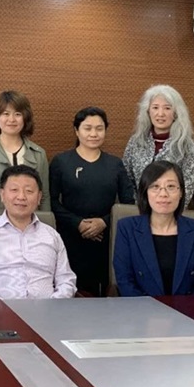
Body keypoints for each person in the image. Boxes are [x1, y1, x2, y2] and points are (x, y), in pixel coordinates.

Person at [49, 107, 135, 296]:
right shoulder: (61, 162)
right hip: (70, 238)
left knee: (102, 294)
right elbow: (51, 201)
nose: (94, 134)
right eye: (87, 128)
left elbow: (128, 204)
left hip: (106, 240)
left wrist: (104, 222)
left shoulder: (115, 164)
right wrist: (78, 223)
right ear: (76, 130)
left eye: (99, 128)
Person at [0, 165, 76, 299]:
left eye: (29, 191)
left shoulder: (52, 236)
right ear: (2, 195)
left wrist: (54, 304)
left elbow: (66, 280)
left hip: (47, 309)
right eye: (14, 190)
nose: (21, 197)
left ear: (39, 197)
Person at [113, 160, 194, 296]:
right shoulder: (127, 228)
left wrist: (185, 308)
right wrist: (152, 309)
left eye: (171, 186)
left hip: (187, 307)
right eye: (155, 186)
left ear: (181, 192)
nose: (163, 194)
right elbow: (125, 282)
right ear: (145, 192)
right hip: (140, 307)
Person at [123, 84, 194, 205]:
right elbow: (127, 178)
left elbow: (187, 188)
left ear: (176, 113)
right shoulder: (136, 141)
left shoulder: (188, 146)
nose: (160, 114)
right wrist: (140, 206)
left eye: (167, 108)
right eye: (155, 107)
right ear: (148, 111)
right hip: (138, 209)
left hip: (171, 211)